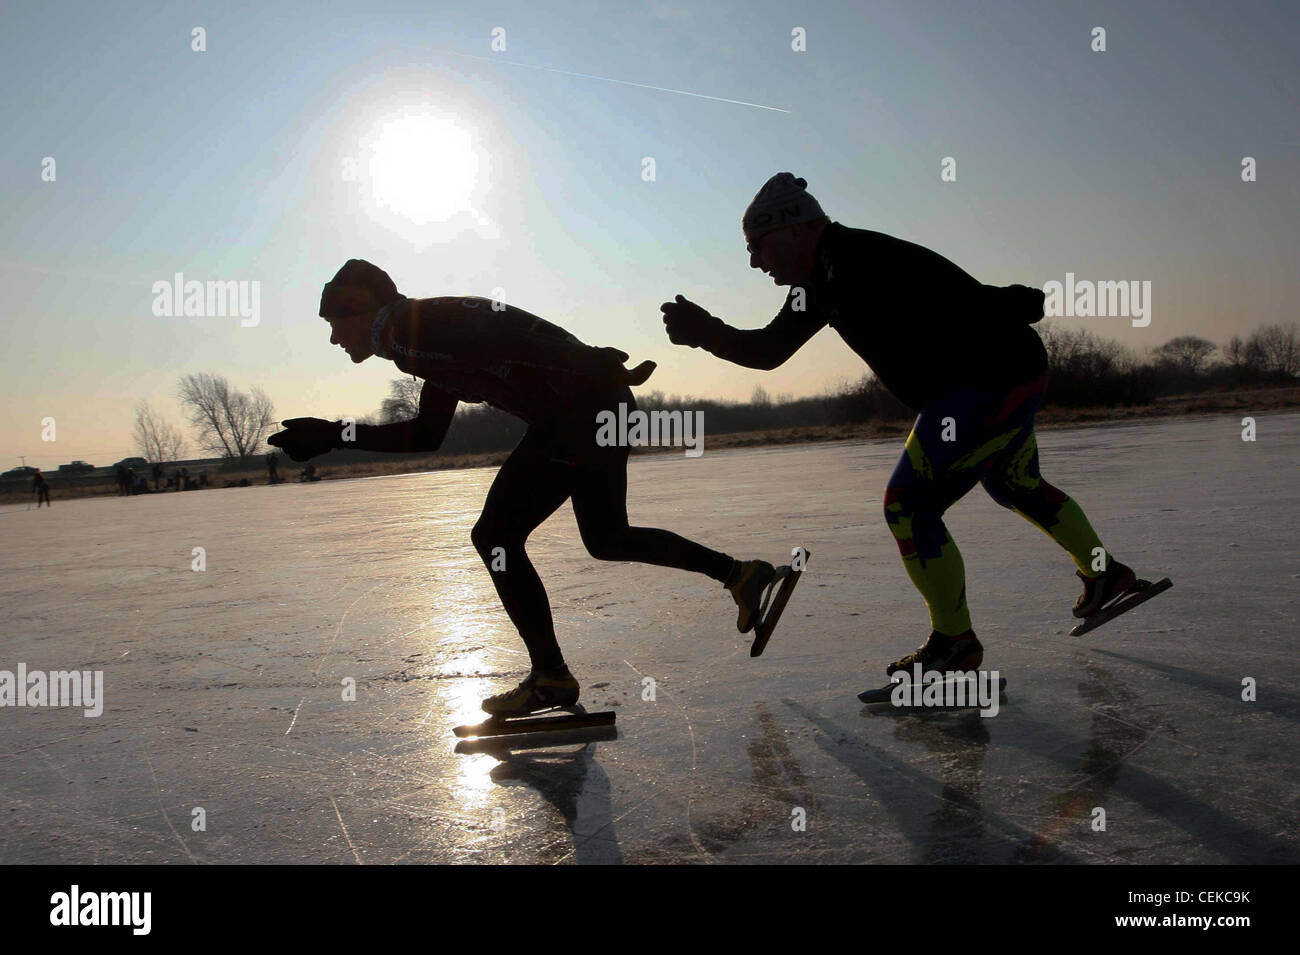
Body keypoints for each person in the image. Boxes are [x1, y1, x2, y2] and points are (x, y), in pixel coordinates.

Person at [661, 173, 1137, 678]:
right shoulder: (817, 282)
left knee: (909, 507)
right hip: (999, 377)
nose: (755, 262)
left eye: (756, 246)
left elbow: (952, 291)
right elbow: (769, 352)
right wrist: (706, 332)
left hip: (990, 380)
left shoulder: (859, 258)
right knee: (1016, 484)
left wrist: (1012, 300)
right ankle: (1106, 576)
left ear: (796, 229)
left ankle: (954, 644)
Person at [270, 259, 780, 716]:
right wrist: (334, 434)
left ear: (362, 310)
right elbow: (426, 434)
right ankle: (741, 575)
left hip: (579, 409)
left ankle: (551, 676)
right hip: (597, 403)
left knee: (495, 537)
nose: (335, 338)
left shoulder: (411, 332)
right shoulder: (419, 329)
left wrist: (581, 360)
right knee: (607, 538)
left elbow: (499, 336)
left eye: (334, 322)